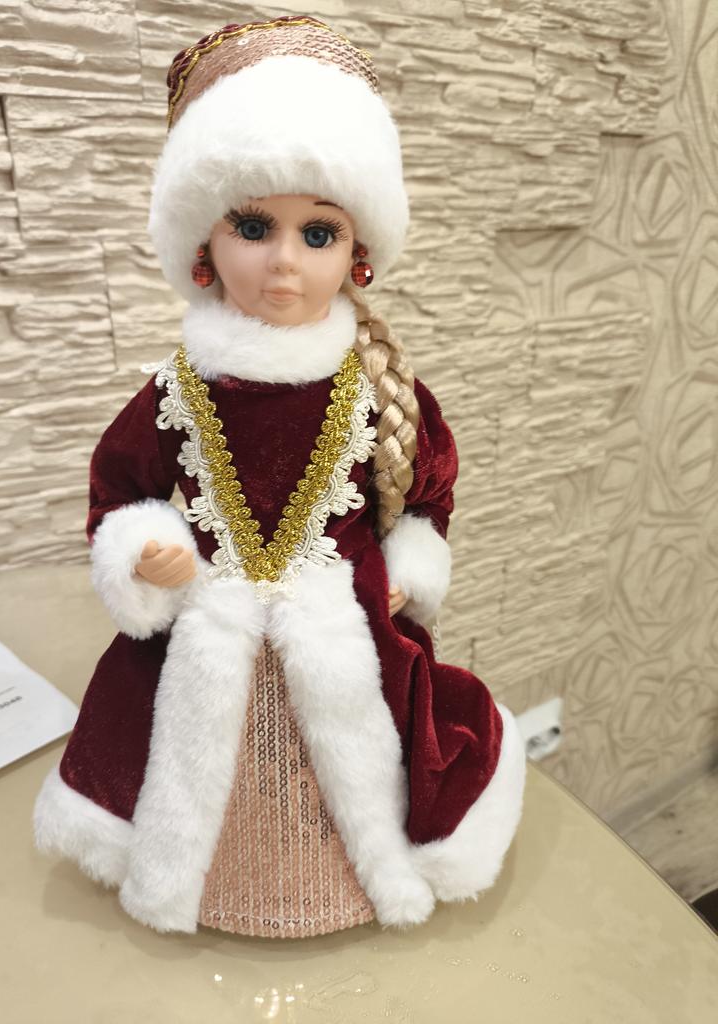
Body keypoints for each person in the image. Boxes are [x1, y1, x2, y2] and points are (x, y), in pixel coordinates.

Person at [33, 14, 526, 939]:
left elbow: (428, 494)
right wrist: (146, 550)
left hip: (346, 625)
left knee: (362, 753)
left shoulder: (379, 389)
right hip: (207, 624)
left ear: (357, 251)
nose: (285, 262)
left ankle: (347, 873)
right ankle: (214, 879)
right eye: (254, 226)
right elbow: (121, 487)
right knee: (184, 751)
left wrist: (408, 566)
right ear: (203, 244)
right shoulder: (181, 389)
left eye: (319, 232)